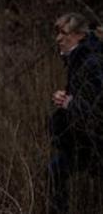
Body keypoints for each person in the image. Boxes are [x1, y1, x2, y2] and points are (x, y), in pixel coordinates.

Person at [47, 12, 103, 214]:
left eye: (64, 33)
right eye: (57, 33)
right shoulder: (77, 60)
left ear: (79, 35)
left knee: (57, 170)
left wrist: (70, 103)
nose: (58, 39)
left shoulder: (92, 62)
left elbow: (98, 110)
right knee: (56, 170)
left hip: (95, 143)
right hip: (84, 142)